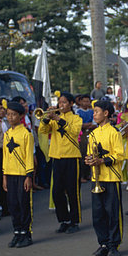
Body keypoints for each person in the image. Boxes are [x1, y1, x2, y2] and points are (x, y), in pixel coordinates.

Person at [38, 92, 83, 234]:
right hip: (56, 157)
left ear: (70, 104)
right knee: (56, 191)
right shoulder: (53, 118)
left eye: (64, 102)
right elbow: (42, 131)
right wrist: (46, 118)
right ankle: (64, 220)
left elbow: (74, 131)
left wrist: (57, 118)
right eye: (59, 102)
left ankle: (74, 221)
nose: (61, 105)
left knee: (72, 191)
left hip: (71, 157)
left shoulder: (76, 118)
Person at [85, 100, 124, 256]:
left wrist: (102, 161)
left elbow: (120, 155)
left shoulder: (114, 132)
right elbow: (90, 153)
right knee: (98, 214)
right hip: (97, 178)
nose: (94, 114)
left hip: (111, 177)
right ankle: (103, 244)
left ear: (106, 113)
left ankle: (114, 245)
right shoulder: (93, 134)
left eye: (96, 111)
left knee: (113, 213)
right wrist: (89, 160)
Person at [2, 102, 34, 248]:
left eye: (13, 114)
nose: (10, 117)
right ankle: (17, 232)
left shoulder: (26, 133)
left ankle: (26, 234)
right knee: (13, 205)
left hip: (22, 174)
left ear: (21, 116)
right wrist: (4, 176)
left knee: (24, 204)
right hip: (10, 174)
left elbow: (28, 156)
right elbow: (5, 156)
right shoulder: (7, 134)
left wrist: (29, 176)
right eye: (8, 114)